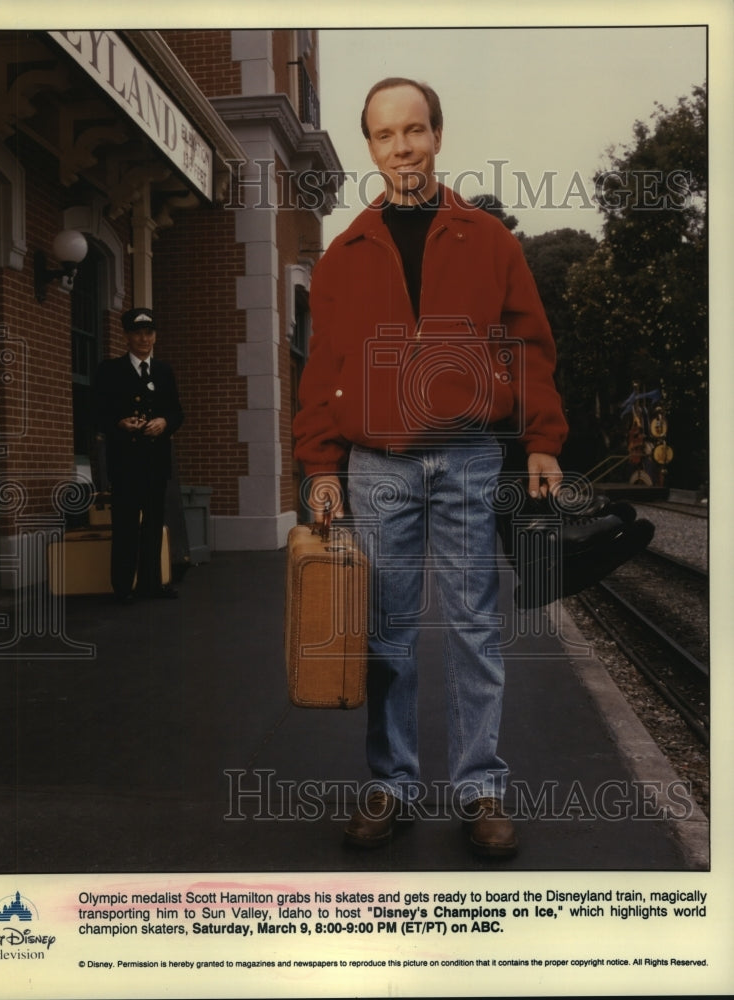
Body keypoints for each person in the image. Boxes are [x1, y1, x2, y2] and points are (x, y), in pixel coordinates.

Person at [292, 78, 567, 858]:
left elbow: (530, 344)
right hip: (378, 467)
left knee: (476, 627)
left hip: (470, 458)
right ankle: (393, 783)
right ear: (370, 148)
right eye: (385, 135)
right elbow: (322, 368)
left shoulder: (490, 240)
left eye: (414, 130)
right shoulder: (343, 255)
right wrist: (320, 465)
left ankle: (480, 789)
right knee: (388, 633)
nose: (402, 147)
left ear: (438, 136)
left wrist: (542, 439)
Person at [94, 307, 184, 603]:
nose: (144, 339)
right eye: (137, 333)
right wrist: (119, 423)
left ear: (155, 336)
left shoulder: (164, 371)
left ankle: (151, 584)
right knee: (126, 525)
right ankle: (123, 587)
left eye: (149, 333)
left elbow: (177, 412)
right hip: (125, 462)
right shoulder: (110, 370)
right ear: (127, 336)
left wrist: (165, 422)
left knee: (153, 524)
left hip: (156, 461)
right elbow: (96, 413)